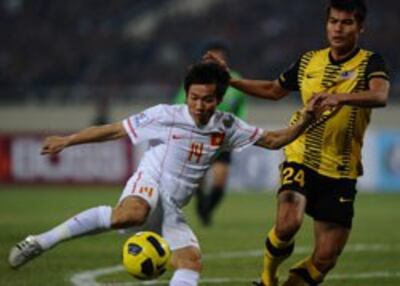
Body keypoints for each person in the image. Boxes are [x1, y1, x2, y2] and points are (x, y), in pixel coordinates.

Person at [8, 62, 320, 286]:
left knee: (191, 262)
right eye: (193, 98)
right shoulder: (165, 115)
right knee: (131, 213)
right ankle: (41, 242)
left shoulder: (227, 127)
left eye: (207, 99)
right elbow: (114, 129)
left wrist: (306, 120)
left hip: (172, 206)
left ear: (219, 99)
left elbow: (275, 140)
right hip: (149, 181)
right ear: (186, 94)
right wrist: (68, 140)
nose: (199, 105)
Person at [205, 0, 390, 285]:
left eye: (346, 22)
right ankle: (267, 278)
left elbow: (379, 96)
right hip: (300, 154)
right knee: (289, 221)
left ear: (360, 27)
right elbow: (272, 89)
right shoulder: (308, 61)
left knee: (325, 258)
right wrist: (229, 80)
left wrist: (338, 97)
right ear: (326, 24)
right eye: (333, 21)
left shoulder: (370, 62)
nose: (338, 28)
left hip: (340, 170)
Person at [174, 40, 247, 226]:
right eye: (211, 57)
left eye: (219, 58)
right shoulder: (196, 79)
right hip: (198, 135)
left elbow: (240, 108)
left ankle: (207, 210)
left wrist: (238, 128)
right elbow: (179, 105)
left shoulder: (235, 80)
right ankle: (200, 203)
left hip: (222, 137)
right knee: (198, 179)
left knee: (221, 180)